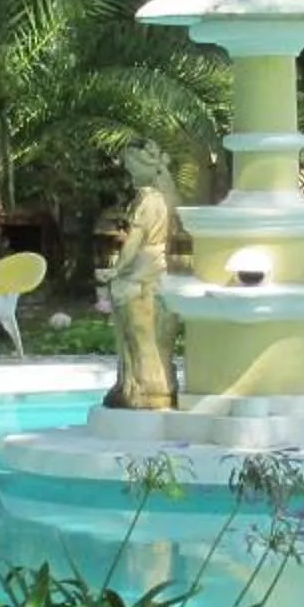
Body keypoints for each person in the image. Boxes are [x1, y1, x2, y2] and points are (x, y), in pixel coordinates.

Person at [104, 139, 181, 410]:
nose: (129, 171)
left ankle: (143, 389)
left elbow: (134, 242)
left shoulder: (148, 201)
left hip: (143, 270)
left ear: (145, 167)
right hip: (156, 268)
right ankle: (153, 387)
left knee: (138, 333)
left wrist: (116, 269)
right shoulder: (163, 199)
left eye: (132, 166)